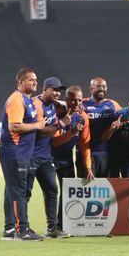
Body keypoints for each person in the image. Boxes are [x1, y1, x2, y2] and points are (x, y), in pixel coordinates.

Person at [0, 68, 44, 241]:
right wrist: (37, 126)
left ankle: (10, 229)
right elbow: (15, 126)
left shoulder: (27, 100)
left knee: (11, 190)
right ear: (20, 82)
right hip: (15, 153)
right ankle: (22, 230)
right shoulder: (17, 100)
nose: (35, 82)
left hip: (21, 153)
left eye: (35, 79)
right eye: (31, 79)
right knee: (18, 191)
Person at [51, 85, 91, 233]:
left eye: (79, 100)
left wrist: (88, 167)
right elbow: (54, 142)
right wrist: (72, 132)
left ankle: (61, 225)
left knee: (67, 192)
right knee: (51, 191)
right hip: (48, 157)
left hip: (66, 159)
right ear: (66, 99)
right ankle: (51, 225)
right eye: (73, 100)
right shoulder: (56, 113)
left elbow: (85, 145)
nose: (77, 103)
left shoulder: (83, 118)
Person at [28, 77, 65, 238]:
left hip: (45, 157)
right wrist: (60, 125)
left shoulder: (54, 105)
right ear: (45, 89)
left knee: (52, 190)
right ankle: (22, 227)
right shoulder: (36, 104)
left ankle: (52, 228)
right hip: (30, 156)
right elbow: (39, 131)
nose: (57, 93)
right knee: (25, 193)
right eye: (54, 90)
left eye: (59, 91)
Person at [82, 77, 122, 178]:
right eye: (98, 86)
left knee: (107, 186)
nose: (102, 89)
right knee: (88, 186)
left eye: (104, 86)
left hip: (107, 154)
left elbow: (125, 116)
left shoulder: (113, 104)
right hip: (87, 153)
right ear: (91, 88)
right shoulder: (82, 104)